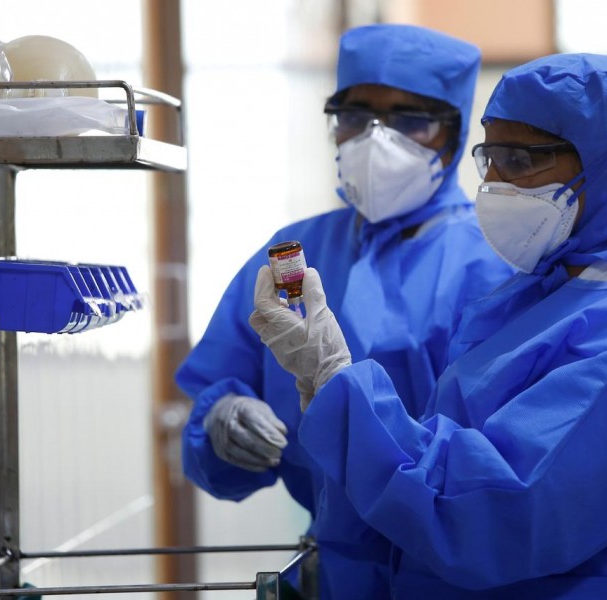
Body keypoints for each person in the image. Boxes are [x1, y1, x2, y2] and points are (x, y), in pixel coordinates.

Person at [250, 53, 607, 598]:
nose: (496, 184)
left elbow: (480, 513)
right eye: (492, 159)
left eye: (522, 161)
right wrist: (324, 384)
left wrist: (336, 379)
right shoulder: (534, 301)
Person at [176, 24, 513, 598]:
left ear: (455, 135)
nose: (375, 140)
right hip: (332, 570)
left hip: (463, 576)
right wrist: (223, 420)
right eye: (354, 116)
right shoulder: (292, 256)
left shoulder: (502, 262)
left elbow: (514, 465)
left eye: (410, 121)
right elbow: (217, 397)